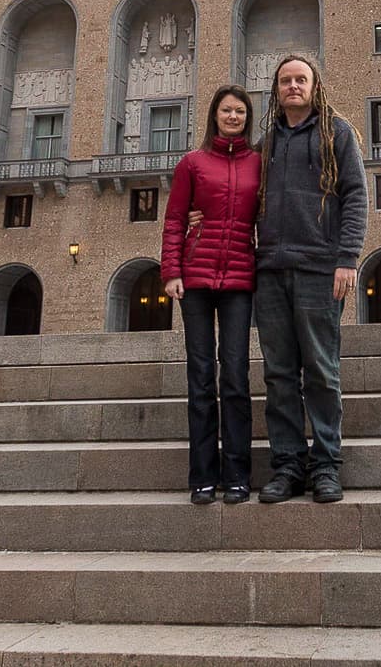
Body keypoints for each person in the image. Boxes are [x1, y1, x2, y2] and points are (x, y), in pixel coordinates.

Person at [253, 53, 367, 503]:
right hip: (271, 272)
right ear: (277, 89)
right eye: (286, 80)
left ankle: (325, 466)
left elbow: (356, 195)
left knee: (321, 369)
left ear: (315, 85)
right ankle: (286, 466)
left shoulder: (336, 133)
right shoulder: (265, 144)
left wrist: (348, 258)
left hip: (321, 268)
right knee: (279, 375)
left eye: (301, 79)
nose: (293, 86)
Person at [160, 85, 261, 505]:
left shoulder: (260, 162)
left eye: (239, 111)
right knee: (200, 377)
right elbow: (174, 219)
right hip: (196, 280)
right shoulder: (192, 163)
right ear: (214, 116)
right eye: (226, 110)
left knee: (235, 375)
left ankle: (237, 474)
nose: (233, 116)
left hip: (239, 279)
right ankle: (202, 476)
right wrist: (171, 272)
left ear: (247, 117)